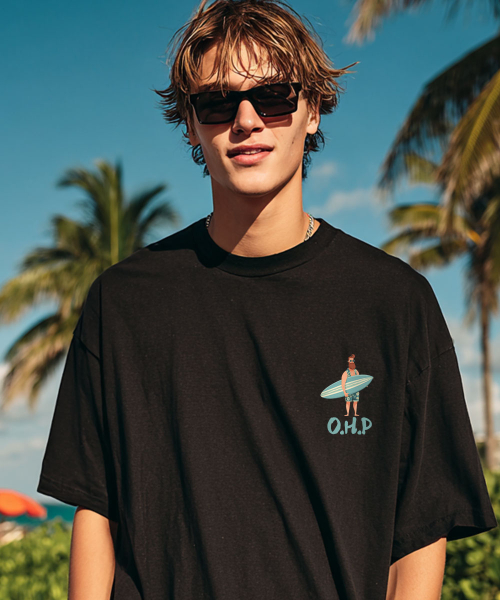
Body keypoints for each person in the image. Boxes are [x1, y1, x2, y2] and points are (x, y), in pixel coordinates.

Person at [37, 0, 498, 598]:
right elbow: (97, 512)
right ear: (191, 125)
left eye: (274, 96)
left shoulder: (394, 301)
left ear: (313, 110)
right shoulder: (123, 303)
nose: (247, 120)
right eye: (217, 102)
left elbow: (421, 529)